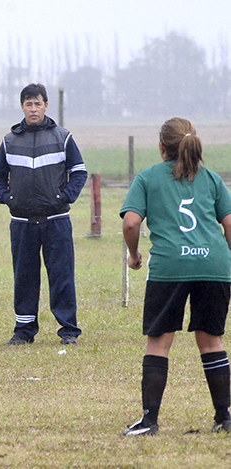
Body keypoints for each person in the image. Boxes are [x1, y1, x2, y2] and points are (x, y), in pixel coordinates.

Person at [120, 117, 231, 436]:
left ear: (161, 148)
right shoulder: (211, 178)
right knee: (211, 342)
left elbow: (130, 223)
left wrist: (134, 254)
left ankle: (149, 421)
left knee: (159, 343)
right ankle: (224, 418)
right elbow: (229, 223)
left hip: (170, 268)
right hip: (213, 265)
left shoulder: (148, 178)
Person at [0, 83, 87, 346]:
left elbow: (79, 172)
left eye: (38, 103)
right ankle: (24, 331)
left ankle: (68, 331)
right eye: (28, 104)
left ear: (46, 105)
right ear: (22, 107)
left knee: (62, 276)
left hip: (56, 221)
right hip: (22, 223)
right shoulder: (9, 141)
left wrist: (65, 197)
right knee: (24, 279)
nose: (33, 109)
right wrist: (7, 198)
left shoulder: (63, 137)